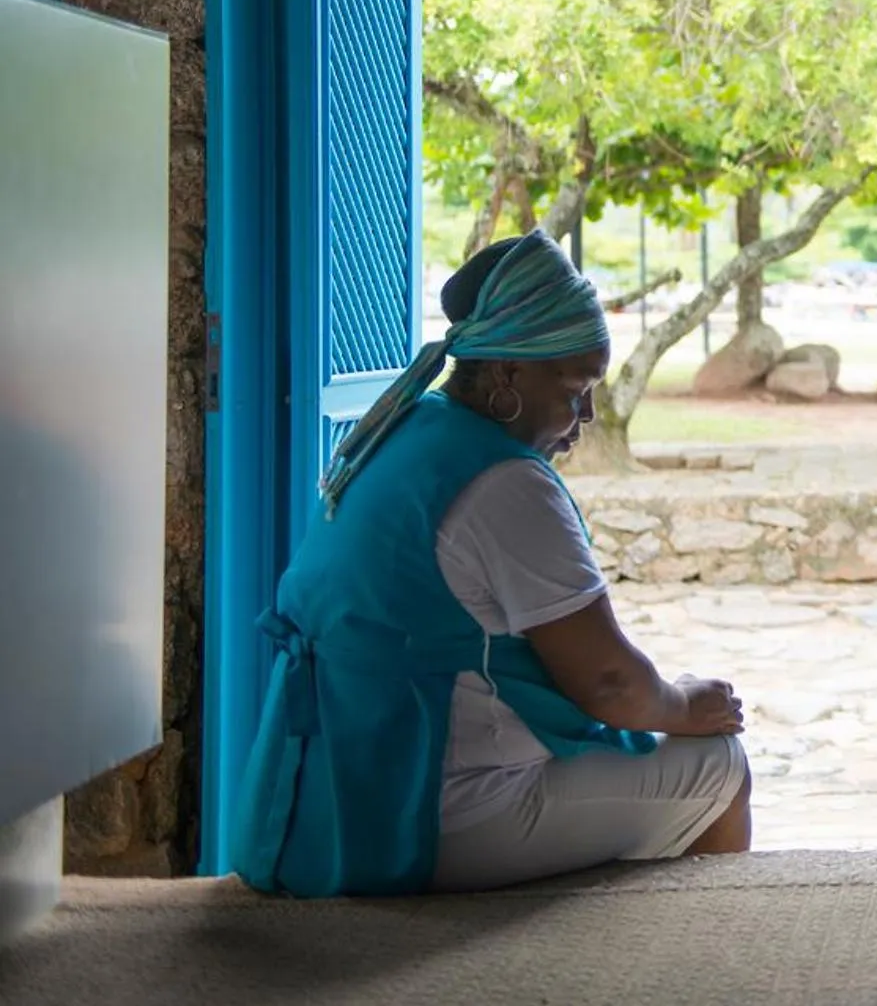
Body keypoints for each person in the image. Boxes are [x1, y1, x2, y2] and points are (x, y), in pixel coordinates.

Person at [231, 231, 752, 896]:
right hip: (420, 812)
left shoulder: (406, 428)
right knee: (719, 766)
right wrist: (686, 705)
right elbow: (611, 686)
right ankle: (715, 945)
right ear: (509, 375)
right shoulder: (505, 482)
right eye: (575, 387)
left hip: (327, 794)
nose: (586, 414)